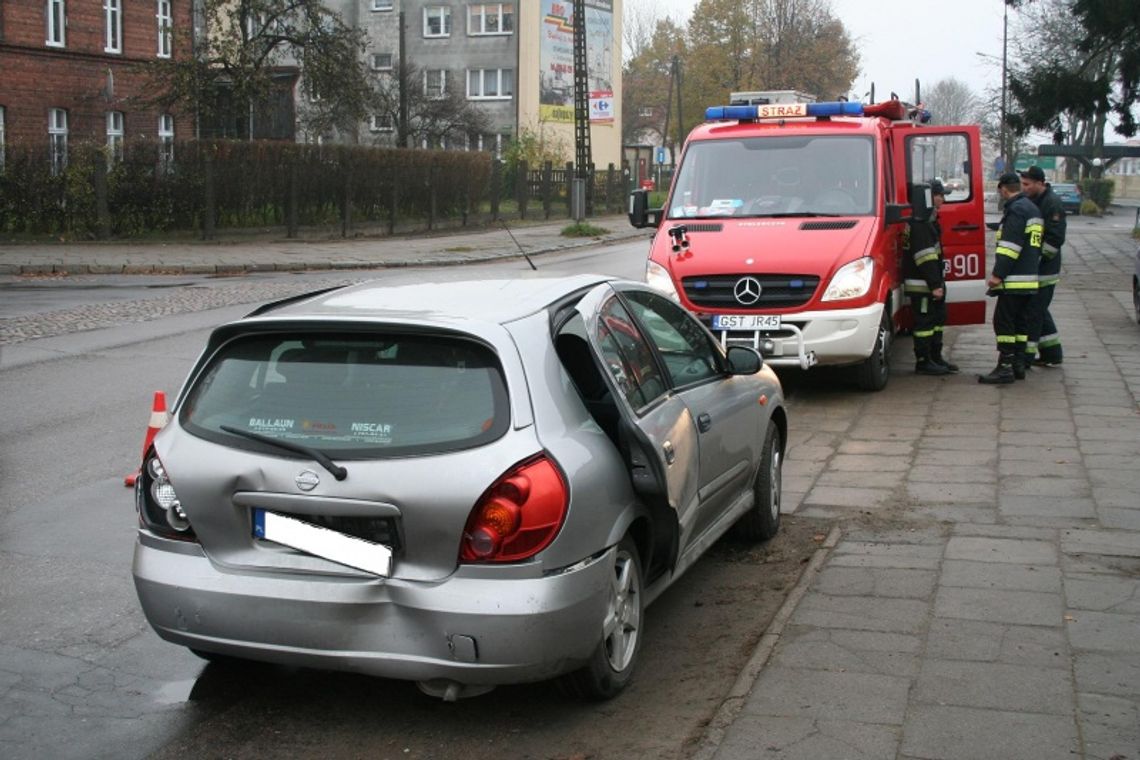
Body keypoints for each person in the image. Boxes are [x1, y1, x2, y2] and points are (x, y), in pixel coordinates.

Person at [979, 173, 1043, 384]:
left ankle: (1004, 367)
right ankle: (1018, 365)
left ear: (1004, 189)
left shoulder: (1016, 210)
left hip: (1014, 279)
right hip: (1029, 278)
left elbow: (1010, 247)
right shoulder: (1032, 208)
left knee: (1003, 322)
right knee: (1020, 323)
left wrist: (998, 275)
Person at [902, 180, 957, 374]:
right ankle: (924, 361)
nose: (942, 199)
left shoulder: (927, 220)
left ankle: (935, 357)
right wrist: (935, 284)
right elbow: (925, 258)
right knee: (925, 323)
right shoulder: (920, 223)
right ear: (927, 197)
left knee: (937, 319)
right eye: (938, 195)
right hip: (923, 284)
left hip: (930, 282)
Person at [1017, 165, 1065, 367]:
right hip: (1036, 269)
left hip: (1044, 270)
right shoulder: (1034, 200)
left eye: (1027, 184)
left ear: (1040, 183)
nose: (1024, 188)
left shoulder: (1052, 204)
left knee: (1033, 313)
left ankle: (1026, 357)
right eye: (1022, 184)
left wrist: (1035, 261)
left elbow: (1054, 240)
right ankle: (1052, 353)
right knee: (1040, 310)